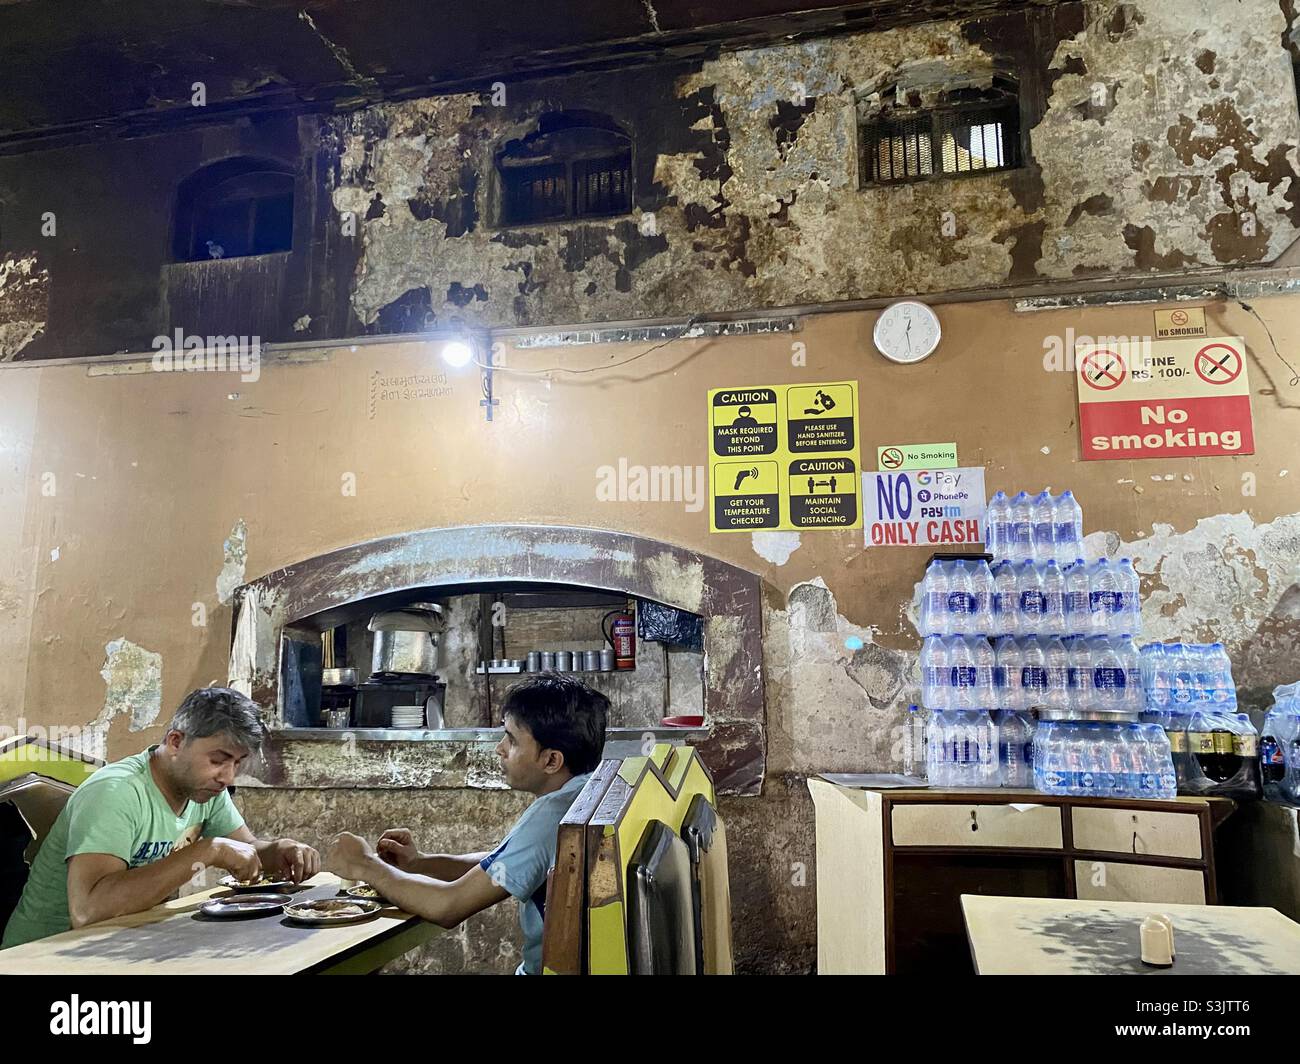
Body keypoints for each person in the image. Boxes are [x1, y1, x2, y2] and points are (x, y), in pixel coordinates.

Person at [325, 673, 608, 974]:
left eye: (511, 740)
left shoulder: (552, 815)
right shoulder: (584, 792)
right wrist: (420, 863)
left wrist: (366, 865)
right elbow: (497, 865)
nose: (500, 748)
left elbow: (449, 906)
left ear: (551, 761)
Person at [1, 687, 319, 949]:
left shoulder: (206, 790)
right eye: (218, 760)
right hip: (41, 955)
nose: (227, 776)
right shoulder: (116, 793)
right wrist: (207, 850)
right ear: (176, 742)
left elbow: (246, 854)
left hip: (117, 945)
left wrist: (277, 851)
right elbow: (87, 912)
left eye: (237, 763)